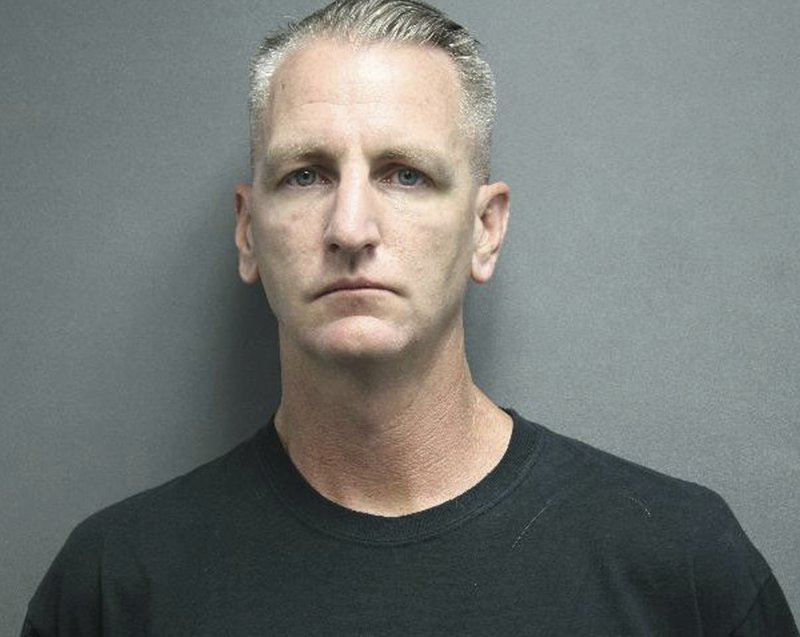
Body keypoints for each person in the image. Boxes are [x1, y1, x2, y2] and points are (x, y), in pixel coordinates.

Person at [22, 0, 798, 634]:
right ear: (249, 231)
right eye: (306, 174)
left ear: (485, 229)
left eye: (405, 174)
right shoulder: (113, 588)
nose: (350, 227)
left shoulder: (684, 570)